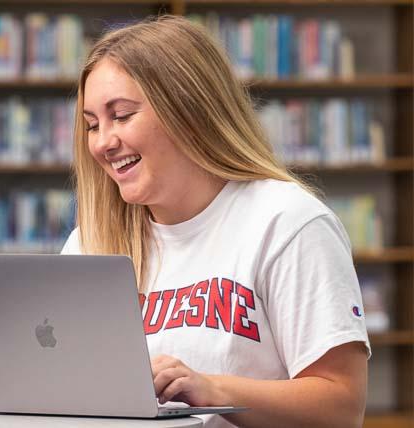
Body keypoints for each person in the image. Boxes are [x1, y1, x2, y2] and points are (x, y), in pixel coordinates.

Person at [62, 15, 369, 428]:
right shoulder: (91, 241)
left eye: (122, 115)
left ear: (188, 109)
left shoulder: (286, 222)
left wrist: (215, 392)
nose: (102, 143)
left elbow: (342, 406)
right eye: (92, 124)